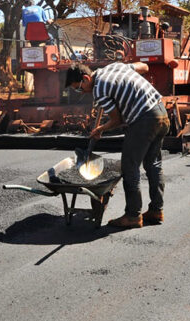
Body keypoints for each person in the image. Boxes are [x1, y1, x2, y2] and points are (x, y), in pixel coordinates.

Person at [65, 62, 170, 229]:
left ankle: (133, 216)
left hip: (143, 120)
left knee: (130, 168)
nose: (82, 92)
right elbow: (144, 67)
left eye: (79, 88)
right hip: (161, 113)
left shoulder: (100, 91)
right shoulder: (114, 67)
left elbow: (118, 120)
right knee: (153, 165)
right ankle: (156, 210)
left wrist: (101, 129)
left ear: (86, 78)